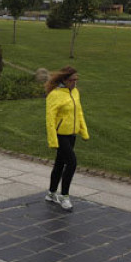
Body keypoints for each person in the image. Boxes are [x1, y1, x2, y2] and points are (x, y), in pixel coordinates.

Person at [44, 66, 90, 211]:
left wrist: (84, 131)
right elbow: (50, 119)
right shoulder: (55, 95)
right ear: (64, 80)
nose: (75, 83)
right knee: (72, 163)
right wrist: (53, 140)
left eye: (77, 79)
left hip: (72, 134)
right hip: (60, 135)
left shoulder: (75, 92)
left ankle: (51, 193)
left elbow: (79, 112)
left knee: (59, 163)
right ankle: (64, 196)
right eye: (72, 80)